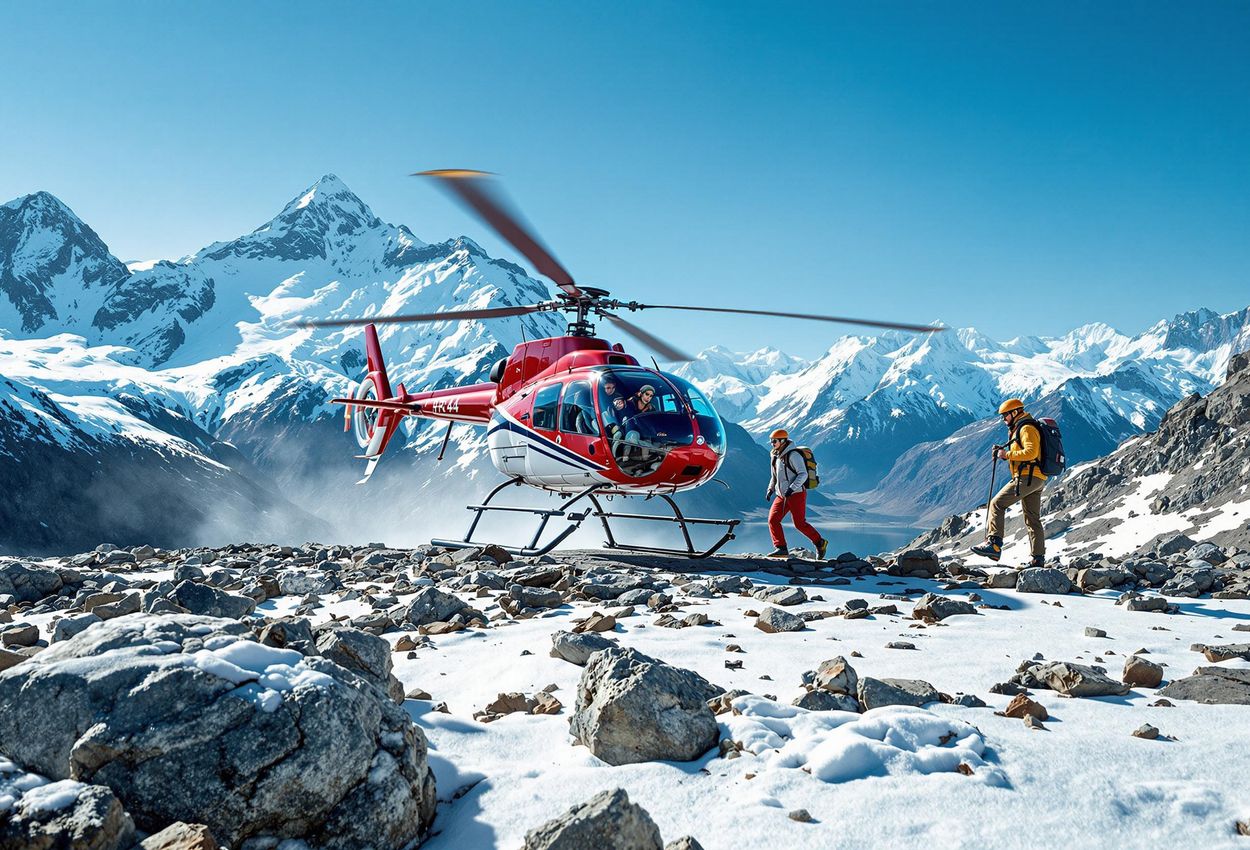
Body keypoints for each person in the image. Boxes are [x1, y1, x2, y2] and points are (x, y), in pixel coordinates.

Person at [971, 398, 1048, 568]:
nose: (1003, 419)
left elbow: (1031, 452)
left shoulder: (1026, 427)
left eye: (1005, 415)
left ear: (1015, 413)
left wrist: (1007, 455)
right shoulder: (1020, 428)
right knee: (1032, 519)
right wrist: (1005, 451)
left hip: (1028, 477)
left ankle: (994, 544)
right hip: (1036, 479)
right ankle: (1038, 559)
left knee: (997, 504)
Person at [765, 429, 828, 559]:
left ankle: (820, 542)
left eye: (775, 441)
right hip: (782, 495)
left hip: (796, 494)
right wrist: (770, 489)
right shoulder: (775, 455)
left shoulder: (793, 455)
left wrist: (792, 488)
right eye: (771, 441)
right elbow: (774, 476)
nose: (772, 443)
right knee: (773, 520)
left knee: (799, 524)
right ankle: (781, 548)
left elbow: (803, 474)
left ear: (783, 441)